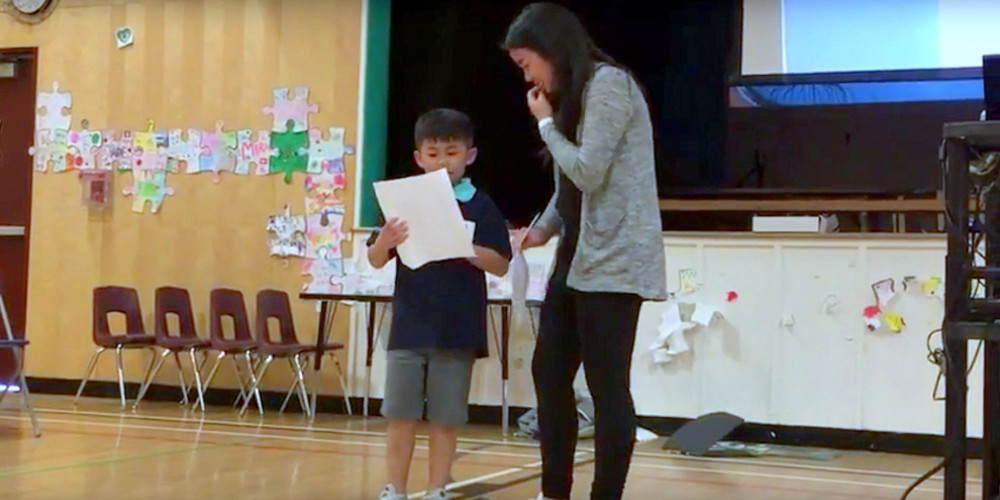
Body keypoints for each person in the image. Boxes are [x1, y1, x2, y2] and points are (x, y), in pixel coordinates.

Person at [504, 3, 667, 500]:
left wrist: (547, 126)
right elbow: (568, 187)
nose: (527, 75)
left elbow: (589, 171)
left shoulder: (609, 86)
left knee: (606, 385)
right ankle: (554, 491)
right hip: (574, 261)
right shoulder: (573, 97)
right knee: (548, 372)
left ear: (553, 51)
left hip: (615, 262)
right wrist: (541, 230)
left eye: (527, 63)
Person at [368, 108, 512, 500]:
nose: (442, 161)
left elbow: (501, 263)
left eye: (452, 152)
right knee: (400, 415)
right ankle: (394, 487)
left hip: (456, 328)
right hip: (409, 326)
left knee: (446, 419)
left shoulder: (481, 205)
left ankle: (437, 489)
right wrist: (386, 239)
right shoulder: (404, 201)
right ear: (418, 158)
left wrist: (465, 248)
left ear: (470, 155)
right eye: (433, 153)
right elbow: (376, 258)